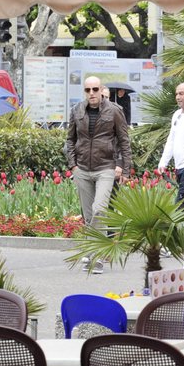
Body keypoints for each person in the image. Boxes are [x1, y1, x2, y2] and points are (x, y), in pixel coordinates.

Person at [65, 75, 131, 274]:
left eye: (95, 89)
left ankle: (97, 254)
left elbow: (124, 140)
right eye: (88, 90)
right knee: (88, 215)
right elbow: (69, 140)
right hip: (83, 169)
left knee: (100, 209)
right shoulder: (77, 110)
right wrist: (73, 166)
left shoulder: (114, 111)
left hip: (105, 168)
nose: (92, 93)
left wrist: (124, 167)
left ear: (101, 90)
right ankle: (93, 252)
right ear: (84, 91)